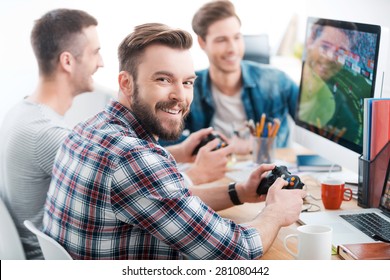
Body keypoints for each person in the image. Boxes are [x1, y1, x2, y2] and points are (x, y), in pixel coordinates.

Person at [42, 22, 305, 260]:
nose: (180, 95)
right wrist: (276, 213)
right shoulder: (134, 158)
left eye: (188, 82)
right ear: (126, 83)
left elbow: (171, 202)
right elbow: (236, 251)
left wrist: (239, 192)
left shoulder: (86, 128)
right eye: (163, 79)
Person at [0, 8, 104, 260]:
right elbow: (131, 189)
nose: (101, 63)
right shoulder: (47, 134)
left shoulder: (20, 113)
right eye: (95, 53)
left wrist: (176, 152)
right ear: (67, 61)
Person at [181, 0, 299, 149]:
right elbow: (160, 141)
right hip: (215, 170)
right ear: (202, 42)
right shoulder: (189, 88)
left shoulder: (276, 81)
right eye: (221, 40)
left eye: (237, 37)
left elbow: (315, 124)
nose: (233, 48)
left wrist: (251, 146)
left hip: (269, 168)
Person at [298, 19, 366, 145]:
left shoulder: (338, 104)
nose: (330, 57)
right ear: (310, 41)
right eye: (325, 46)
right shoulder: (285, 85)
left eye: (340, 52)